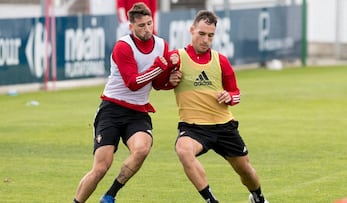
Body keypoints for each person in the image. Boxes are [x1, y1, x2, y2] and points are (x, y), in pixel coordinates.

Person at [155, 10, 269, 203]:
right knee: (183, 149)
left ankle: (257, 197)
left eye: (210, 35)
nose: (206, 39)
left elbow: (236, 93)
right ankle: (211, 200)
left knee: (245, 170)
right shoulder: (177, 58)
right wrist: (169, 79)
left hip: (224, 126)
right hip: (194, 128)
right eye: (201, 34)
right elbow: (158, 84)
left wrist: (229, 96)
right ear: (192, 30)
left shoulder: (220, 60)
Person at [72, 3, 176, 203]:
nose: (147, 29)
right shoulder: (123, 46)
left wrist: (170, 81)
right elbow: (133, 83)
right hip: (112, 109)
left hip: (138, 112)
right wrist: (159, 67)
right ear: (131, 27)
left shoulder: (161, 45)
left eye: (149, 24)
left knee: (142, 149)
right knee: (101, 167)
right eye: (141, 26)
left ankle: (110, 195)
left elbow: (156, 83)